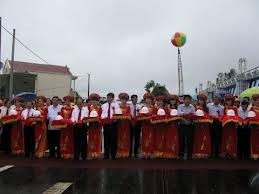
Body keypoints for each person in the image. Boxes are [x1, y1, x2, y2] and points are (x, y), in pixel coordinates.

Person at [101, 93, 119, 159]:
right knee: (106, 140)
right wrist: (104, 119)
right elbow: (102, 114)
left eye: (110, 97)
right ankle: (106, 155)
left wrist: (115, 119)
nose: (109, 99)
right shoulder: (103, 105)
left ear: (113, 98)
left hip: (114, 124)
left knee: (113, 140)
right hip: (106, 124)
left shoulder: (116, 105)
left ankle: (113, 155)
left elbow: (118, 113)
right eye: (108, 97)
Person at [177, 94, 195, 159]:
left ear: (190, 100)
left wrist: (190, 115)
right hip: (182, 125)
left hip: (190, 125)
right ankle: (181, 154)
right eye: (186, 99)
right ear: (184, 100)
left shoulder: (192, 107)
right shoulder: (180, 106)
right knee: (181, 140)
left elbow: (194, 114)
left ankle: (189, 154)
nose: (187, 100)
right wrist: (184, 114)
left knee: (190, 140)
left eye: (188, 99)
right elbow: (178, 113)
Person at [139, 93, 156, 159]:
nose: (148, 100)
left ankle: (150, 153)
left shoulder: (154, 107)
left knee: (151, 139)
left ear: (151, 100)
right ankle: (144, 153)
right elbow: (140, 116)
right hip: (144, 126)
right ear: (145, 100)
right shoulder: (143, 107)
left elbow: (155, 116)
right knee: (144, 139)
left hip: (151, 126)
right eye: (147, 99)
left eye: (149, 99)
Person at [207, 94, 224, 158]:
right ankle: (210, 153)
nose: (216, 100)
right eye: (215, 99)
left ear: (219, 100)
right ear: (213, 99)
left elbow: (222, 116)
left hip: (218, 124)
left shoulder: (222, 107)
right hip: (211, 123)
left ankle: (216, 154)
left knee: (218, 139)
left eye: (218, 99)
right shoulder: (209, 105)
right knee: (211, 138)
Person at [116, 93, 131, 159]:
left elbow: (129, 115)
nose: (123, 100)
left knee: (125, 138)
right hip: (119, 125)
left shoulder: (128, 107)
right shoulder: (118, 106)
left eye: (125, 99)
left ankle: (125, 153)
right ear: (120, 99)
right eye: (122, 99)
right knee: (120, 138)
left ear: (126, 100)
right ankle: (120, 153)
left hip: (126, 125)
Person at [87, 93, 102, 159]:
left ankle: (97, 152)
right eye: (93, 100)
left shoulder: (100, 108)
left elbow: (101, 117)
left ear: (98, 101)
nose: (94, 102)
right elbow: (86, 117)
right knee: (91, 139)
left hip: (97, 126)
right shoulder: (88, 108)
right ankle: (91, 152)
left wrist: (99, 119)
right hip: (91, 126)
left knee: (97, 139)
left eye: (95, 101)